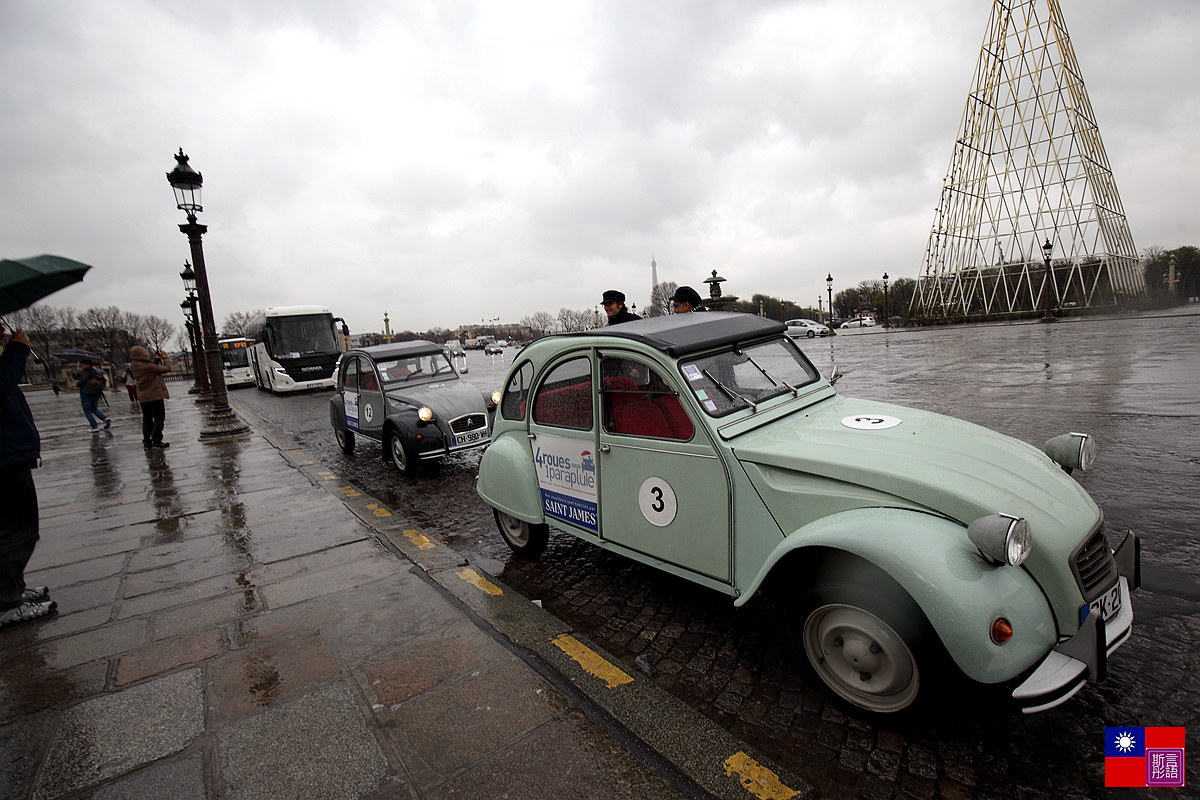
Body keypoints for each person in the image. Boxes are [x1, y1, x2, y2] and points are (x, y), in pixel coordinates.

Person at [0, 322, 57, 629]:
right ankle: (5, 602)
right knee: (16, 529)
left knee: (14, 527)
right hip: (4, 454)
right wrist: (18, 349)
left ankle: (13, 589)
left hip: (9, 451)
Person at [129, 346, 171, 448]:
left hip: (143, 396)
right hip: (154, 395)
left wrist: (156, 359)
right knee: (159, 418)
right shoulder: (148, 367)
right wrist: (165, 357)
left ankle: (147, 440)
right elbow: (167, 368)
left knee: (147, 419)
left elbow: (152, 368)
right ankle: (156, 440)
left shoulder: (133, 365)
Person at [73, 358, 110, 431]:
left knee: (87, 410)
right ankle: (105, 418)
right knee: (94, 409)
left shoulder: (85, 372)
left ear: (87, 365)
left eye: (82, 365)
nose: (81, 367)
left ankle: (94, 426)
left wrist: (78, 384)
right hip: (95, 393)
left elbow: (82, 381)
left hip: (86, 393)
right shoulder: (95, 372)